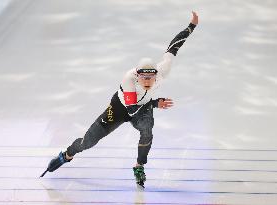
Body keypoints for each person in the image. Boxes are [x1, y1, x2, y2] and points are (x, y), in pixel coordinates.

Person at [41, 11, 199, 187]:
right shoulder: (129, 78)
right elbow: (131, 110)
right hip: (119, 109)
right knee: (88, 142)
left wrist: (191, 26)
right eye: (143, 78)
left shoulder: (162, 71)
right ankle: (67, 154)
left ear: (156, 75)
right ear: (137, 76)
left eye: (150, 78)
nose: (147, 81)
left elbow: (174, 47)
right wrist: (155, 103)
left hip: (143, 108)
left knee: (147, 130)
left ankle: (139, 166)